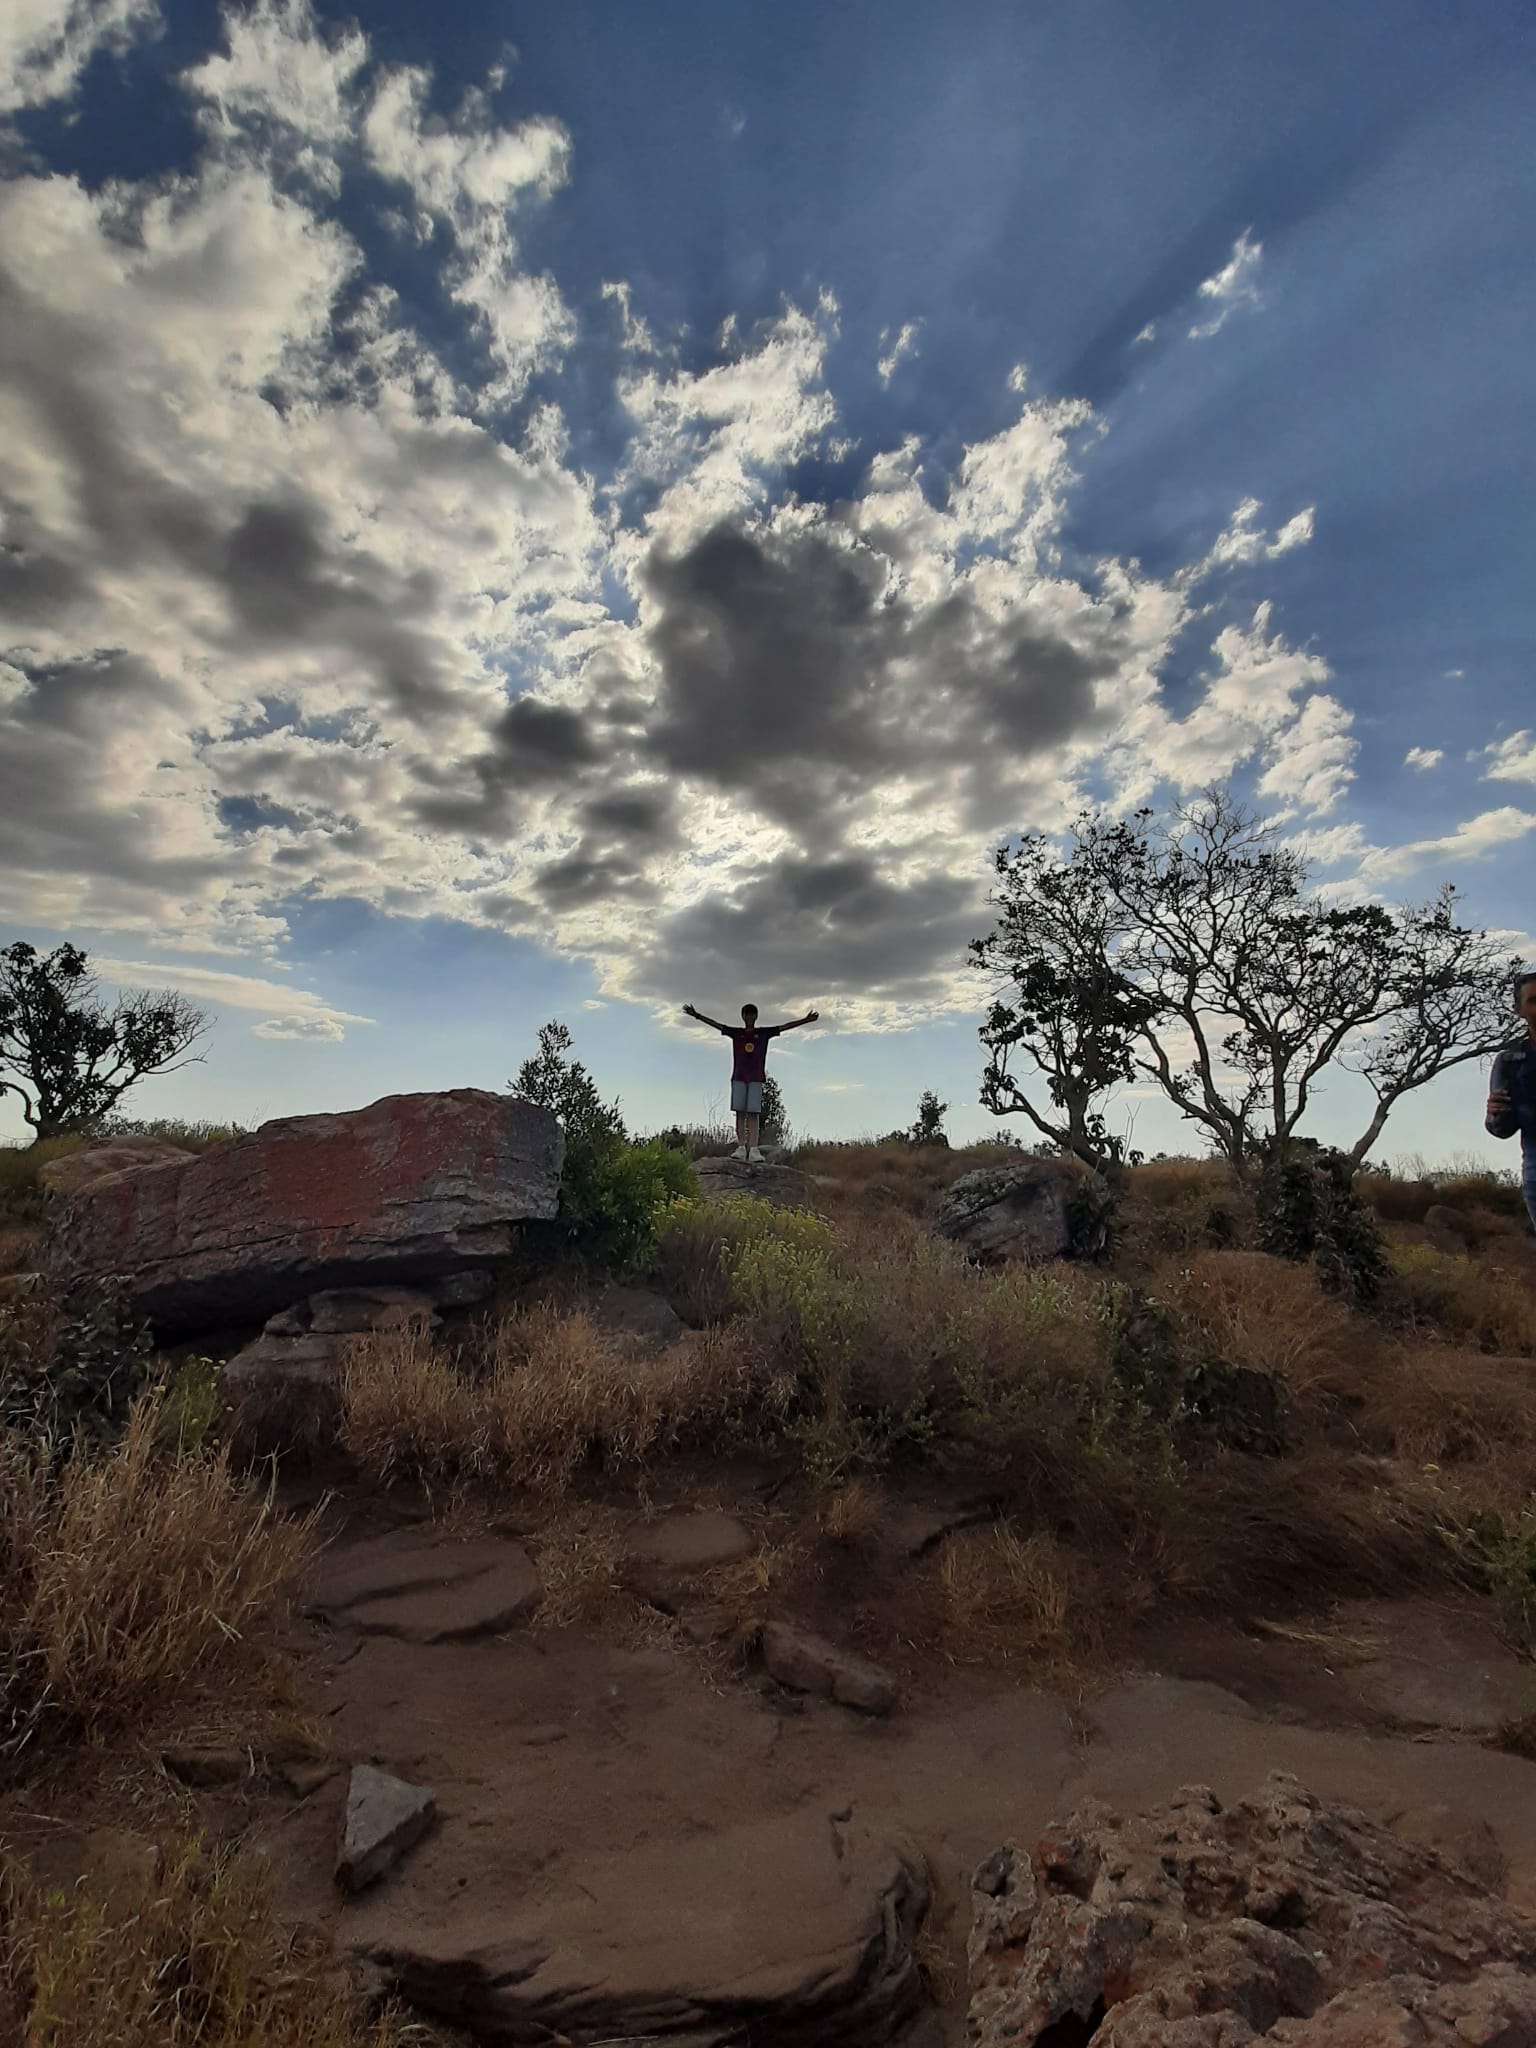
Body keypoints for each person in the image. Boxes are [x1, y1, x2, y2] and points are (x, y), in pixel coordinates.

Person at [682, 999, 819, 1163]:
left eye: (752, 1015)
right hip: (739, 1077)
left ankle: (753, 1148)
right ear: (743, 1016)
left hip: (756, 1077)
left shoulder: (763, 1033)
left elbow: (785, 1026)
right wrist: (696, 1015)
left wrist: (805, 1020)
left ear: (756, 1017)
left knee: (753, 1113)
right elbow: (717, 1025)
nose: (749, 1017)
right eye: (746, 1014)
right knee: (740, 1112)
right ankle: (741, 1147)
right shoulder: (736, 1033)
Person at [1486, 968, 1536, 1231]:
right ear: (1518, 1010)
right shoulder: (1509, 1061)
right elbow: (1501, 1129)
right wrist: (1495, 1113)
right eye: (1533, 1001)